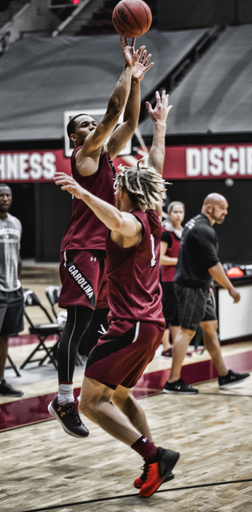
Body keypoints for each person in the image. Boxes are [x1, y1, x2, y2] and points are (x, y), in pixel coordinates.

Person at [53, 91, 180, 498]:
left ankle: (153, 454)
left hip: (130, 327)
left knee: (90, 402)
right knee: (121, 397)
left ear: (124, 193)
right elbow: (156, 168)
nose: (115, 189)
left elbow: (112, 216)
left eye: (118, 187)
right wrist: (159, 128)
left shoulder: (128, 223)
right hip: (153, 326)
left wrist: (81, 192)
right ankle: (155, 462)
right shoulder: (154, 215)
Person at [48, 37, 154, 438]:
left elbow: (128, 122)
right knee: (76, 322)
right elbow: (112, 113)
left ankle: (99, 386)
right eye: (84, 126)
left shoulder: (107, 154)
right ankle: (62, 398)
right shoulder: (85, 157)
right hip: (82, 249)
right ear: (75, 139)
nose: (92, 127)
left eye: (91, 124)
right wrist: (125, 68)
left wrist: (138, 80)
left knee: (97, 323)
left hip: (105, 251)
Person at [163, 193, 250, 394]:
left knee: (210, 329)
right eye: (222, 208)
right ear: (209, 208)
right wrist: (230, 288)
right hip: (191, 287)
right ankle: (173, 381)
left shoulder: (193, 223)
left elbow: (194, 258)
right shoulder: (203, 229)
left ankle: (223, 375)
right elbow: (213, 264)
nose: (226, 212)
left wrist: (207, 283)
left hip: (199, 286)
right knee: (186, 331)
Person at [0, 184, 24, 397]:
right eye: (1, 195)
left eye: (7, 195)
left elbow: (17, 256)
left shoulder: (16, 223)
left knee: (5, 337)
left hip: (13, 289)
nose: (4, 198)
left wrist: (18, 281)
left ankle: (1, 381)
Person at [160, 201, 185, 357]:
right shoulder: (166, 233)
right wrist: (180, 261)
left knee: (177, 315)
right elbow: (161, 258)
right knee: (167, 314)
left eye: (181, 212)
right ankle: (165, 347)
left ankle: (176, 347)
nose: (178, 215)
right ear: (169, 214)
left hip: (182, 279)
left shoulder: (184, 232)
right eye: (175, 212)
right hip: (169, 279)